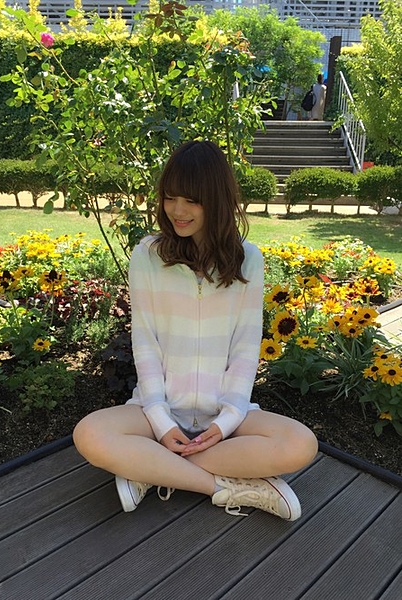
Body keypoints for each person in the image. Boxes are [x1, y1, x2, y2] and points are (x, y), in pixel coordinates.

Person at [73, 141, 318, 520]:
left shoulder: (248, 259)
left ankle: (151, 468)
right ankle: (224, 488)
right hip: (156, 411)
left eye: (191, 200)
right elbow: (145, 342)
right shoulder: (148, 256)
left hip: (224, 417)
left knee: (301, 444)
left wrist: (225, 422)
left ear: (216, 201)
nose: (177, 210)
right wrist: (160, 420)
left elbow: (245, 348)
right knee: (89, 434)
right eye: (170, 198)